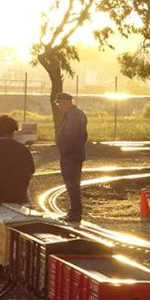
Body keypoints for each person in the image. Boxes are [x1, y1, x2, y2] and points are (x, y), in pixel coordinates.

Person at [54, 91, 88, 223]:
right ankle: (73, 211)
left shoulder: (73, 116)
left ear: (65, 103)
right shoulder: (73, 115)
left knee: (72, 184)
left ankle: (75, 213)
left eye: (59, 104)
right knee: (72, 184)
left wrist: (63, 148)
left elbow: (70, 136)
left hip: (71, 155)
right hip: (73, 154)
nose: (58, 107)